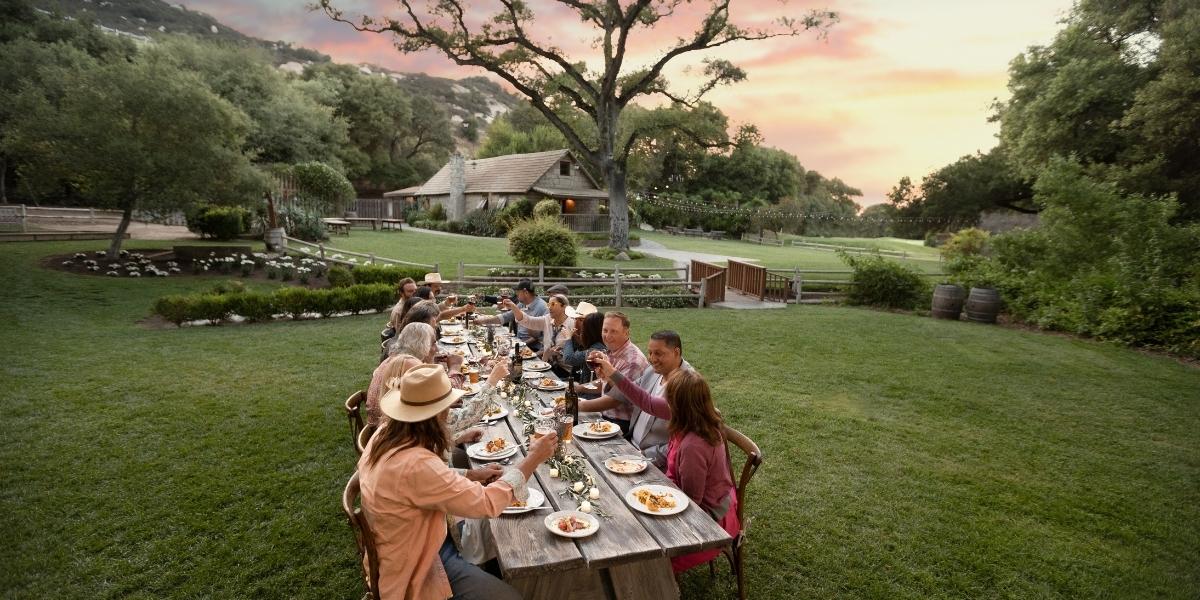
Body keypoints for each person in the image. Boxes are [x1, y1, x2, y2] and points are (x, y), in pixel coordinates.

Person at [360, 364, 557, 600]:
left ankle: (491, 571)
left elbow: (424, 485)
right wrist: (533, 458)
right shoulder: (414, 463)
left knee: (492, 532)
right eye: (448, 406)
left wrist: (471, 475)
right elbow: (486, 504)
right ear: (436, 414)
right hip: (419, 565)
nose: (451, 410)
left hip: (403, 546)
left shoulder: (387, 434)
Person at [589, 359, 739, 573]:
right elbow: (645, 400)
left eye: (669, 399)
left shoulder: (693, 446)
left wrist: (648, 496)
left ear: (679, 405)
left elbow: (691, 505)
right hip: (679, 496)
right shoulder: (692, 417)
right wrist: (613, 372)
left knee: (634, 543)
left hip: (707, 523)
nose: (663, 403)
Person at [625, 331, 692, 468]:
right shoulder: (653, 370)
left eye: (658, 353)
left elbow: (685, 442)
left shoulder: (688, 385)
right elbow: (631, 391)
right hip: (630, 446)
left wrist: (643, 456)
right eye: (650, 353)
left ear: (676, 352)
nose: (652, 358)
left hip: (655, 463)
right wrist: (609, 378)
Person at [576, 312, 648, 434]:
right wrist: (580, 388)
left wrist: (577, 406)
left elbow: (615, 399)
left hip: (622, 424)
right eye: (605, 330)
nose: (607, 336)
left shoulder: (633, 362)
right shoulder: (612, 351)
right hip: (606, 417)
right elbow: (605, 382)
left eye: (613, 331)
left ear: (626, 333)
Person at [500, 294, 575, 363]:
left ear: (564, 306)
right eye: (548, 305)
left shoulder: (573, 324)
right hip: (547, 364)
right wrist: (514, 307)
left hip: (565, 368)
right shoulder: (548, 319)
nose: (549, 308)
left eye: (553, 304)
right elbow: (528, 321)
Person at [473, 279, 546, 348]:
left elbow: (540, 336)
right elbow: (506, 317)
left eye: (518, 292)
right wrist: (483, 321)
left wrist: (521, 345)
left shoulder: (542, 307)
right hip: (519, 342)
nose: (516, 294)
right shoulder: (522, 304)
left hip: (532, 348)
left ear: (526, 292)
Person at [560, 309, 605, 377]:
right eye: (575, 319)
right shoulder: (593, 341)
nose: (576, 323)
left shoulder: (597, 349)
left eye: (581, 320)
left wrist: (568, 339)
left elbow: (569, 359)